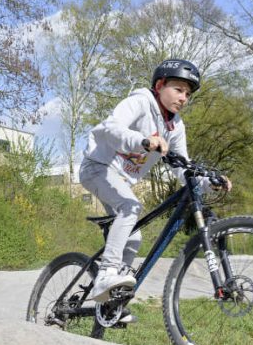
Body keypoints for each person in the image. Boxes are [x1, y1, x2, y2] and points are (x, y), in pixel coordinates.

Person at [79, 59, 232, 307]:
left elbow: (182, 167)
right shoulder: (140, 102)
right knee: (131, 207)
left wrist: (208, 182)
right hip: (97, 167)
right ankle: (106, 274)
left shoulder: (176, 127)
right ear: (160, 85)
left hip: (121, 181)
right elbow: (110, 128)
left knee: (134, 237)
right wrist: (142, 141)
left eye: (188, 94)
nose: (183, 98)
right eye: (178, 90)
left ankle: (112, 303)